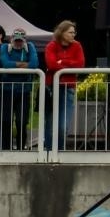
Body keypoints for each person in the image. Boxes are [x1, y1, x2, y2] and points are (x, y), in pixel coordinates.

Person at [0, 28, 40, 151]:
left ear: (25, 40)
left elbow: (35, 63)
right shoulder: (5, 47)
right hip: (7, 89)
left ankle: (21, 148)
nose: (18, 43)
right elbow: (5, 63)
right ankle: (5, 148)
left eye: (20, 41)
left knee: (22, 121)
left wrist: (15, 65)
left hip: (24, 90)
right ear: (11, 39)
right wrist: (23, 65)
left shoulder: (30, 47)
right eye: (16, 40)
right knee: (6, 120)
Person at [43, 20, 85, 150]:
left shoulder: (77, 45)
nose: (74, 35)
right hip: (52, 88)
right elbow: (51, 64)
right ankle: (48, 153)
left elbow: (80, 64)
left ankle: (59, 152)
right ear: (62, 33)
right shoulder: (51, 46)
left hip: (69, 88)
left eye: (74, 32)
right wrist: (67, 63)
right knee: (50, 123)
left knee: (63, 125)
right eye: (70, 32)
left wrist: (62, 61)